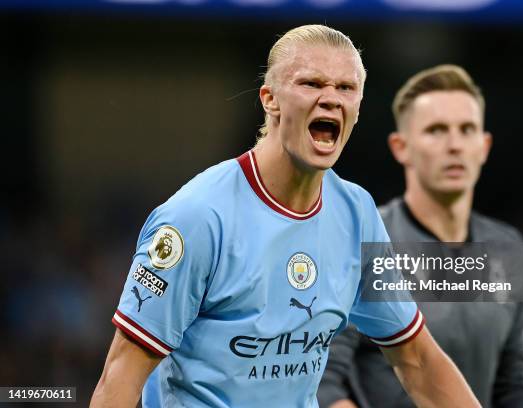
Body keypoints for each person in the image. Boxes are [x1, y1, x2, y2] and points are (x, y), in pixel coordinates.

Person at [90, 27, 480, 408]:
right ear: (269, 99)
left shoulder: (357, 212)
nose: (331, 98)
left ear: (358, 107)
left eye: (345, 88)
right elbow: (121, 376)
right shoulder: (197, 218)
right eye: (311, 83)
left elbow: (417, 359)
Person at [318, 65, 523, 408]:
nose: (454, 145)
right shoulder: (362, 239)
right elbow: (323, 380)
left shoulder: (508, 250)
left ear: (483, 146)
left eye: (466, 130)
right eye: (436, 130)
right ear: (400, 147)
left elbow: (515, 384)